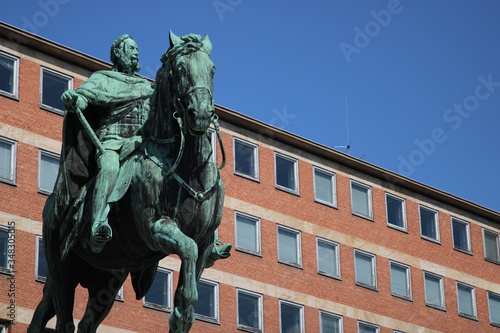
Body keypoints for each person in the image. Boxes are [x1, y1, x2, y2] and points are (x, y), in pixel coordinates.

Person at [62, 34, 153, 253]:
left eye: (137, 49)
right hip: (112, 142)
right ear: (119, 53)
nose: (136, 52)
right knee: (110, 168)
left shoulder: (147, 86)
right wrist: (75, 99)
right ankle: (97, 224)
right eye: (131, 48)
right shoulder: (102, 79)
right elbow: (85, 97)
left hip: (142, 143)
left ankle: (198, 233)